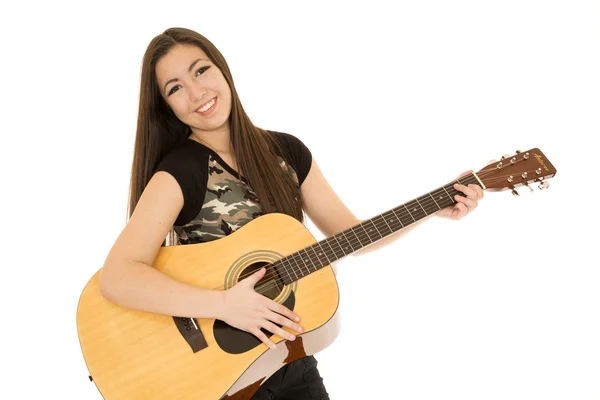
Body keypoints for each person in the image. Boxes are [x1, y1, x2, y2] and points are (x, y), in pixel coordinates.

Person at [98, 27, 484, 400]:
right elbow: (117, 276)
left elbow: (349, 233)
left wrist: (434, 208)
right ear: (166, 107)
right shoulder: (180, 171)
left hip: (289, 361)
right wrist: (224, 305)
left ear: (222, 69)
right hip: (217, 380)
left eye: (201, 70)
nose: (197, 92)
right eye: (176, 88)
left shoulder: (286, 153)